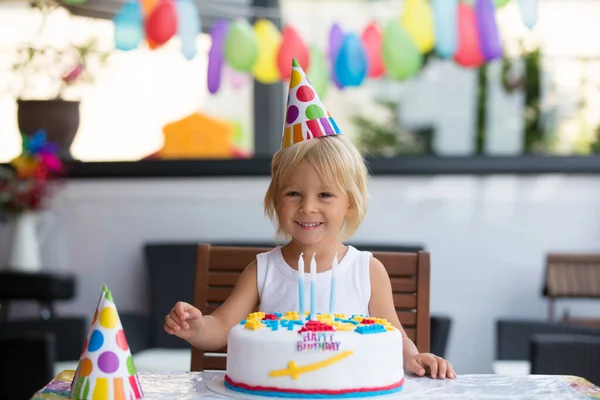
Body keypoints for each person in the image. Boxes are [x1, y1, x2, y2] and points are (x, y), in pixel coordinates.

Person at [164, 59, 456, 380]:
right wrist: (194, 327)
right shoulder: (262, 270)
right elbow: (220, 328)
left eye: (325, 195)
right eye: (294, 194)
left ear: (349, 203)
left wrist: (415, 357)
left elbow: (395, 337)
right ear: (276, 199)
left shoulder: (367, 270)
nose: (308, 208)